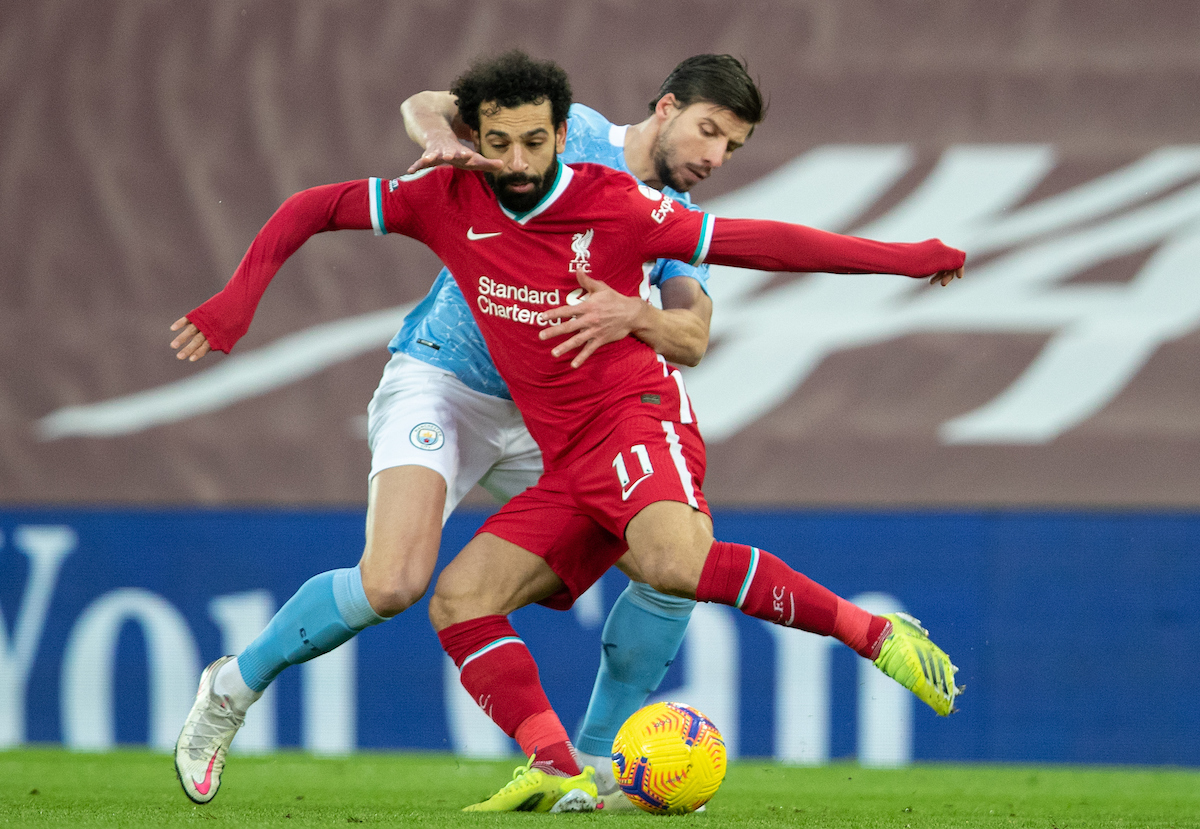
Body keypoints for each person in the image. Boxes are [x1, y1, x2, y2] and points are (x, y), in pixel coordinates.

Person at [173, 51, 966, 812]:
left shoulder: (643, 210)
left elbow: (706, 316)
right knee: (400, 585)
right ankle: (232, 688)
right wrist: (430, 140)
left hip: (572, 418)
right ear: (666, 109)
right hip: (447, 381)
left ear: (553, 139)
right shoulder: (525, 146)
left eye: (734, 144)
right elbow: (411, 121)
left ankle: (584, 765)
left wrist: (642, 313)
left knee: (666, 568)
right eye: (712, 131)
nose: (718, 154)